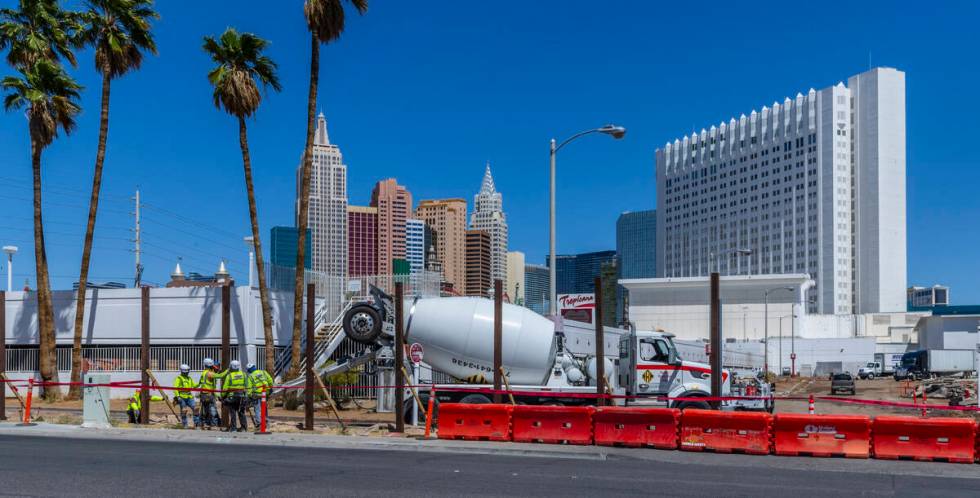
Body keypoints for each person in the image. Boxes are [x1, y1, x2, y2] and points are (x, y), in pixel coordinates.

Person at [197, 358, 226, 430]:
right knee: (212, 410)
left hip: (204, 394)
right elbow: (220, 376)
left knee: (205, 410)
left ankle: (203, 424)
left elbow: (200, 383)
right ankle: (214, 425)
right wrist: (228, 370)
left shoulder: (204, 372)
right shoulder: (210, 373)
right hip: (209, 394)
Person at [221, 360, 249, 432]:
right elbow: (247, 386)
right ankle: (244, 428)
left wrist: (222, 396)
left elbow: (225, 388)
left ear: (231, 367)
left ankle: (233, 428)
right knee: (241, 412)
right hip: (242, 396)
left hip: (232, 397)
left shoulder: (229, 376)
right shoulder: (243, 374)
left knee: (233, 412)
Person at [246, 363, 274, 427]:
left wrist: (249, 396)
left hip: (257, 394)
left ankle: (259, 424)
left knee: (257, 409)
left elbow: (249, 387)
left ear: (249, 370)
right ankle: (266, 422)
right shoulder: (263, 372)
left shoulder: (250, 376)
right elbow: (270, 380)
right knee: (264, 408)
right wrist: (270, 388)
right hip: (265, 393)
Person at [173, 364, 198, 428]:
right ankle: (185, 425)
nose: (187, 373)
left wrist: (200, 383)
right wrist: (178, 396)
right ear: (182, 371)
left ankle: (196, 424)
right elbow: (175, 388)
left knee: (195, 409)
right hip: (182, 397)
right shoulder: (179, 378)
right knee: (184, 411)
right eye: (185, 372)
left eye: (187, 372)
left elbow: (194, 386)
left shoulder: (189, 378)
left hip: (189, 397)